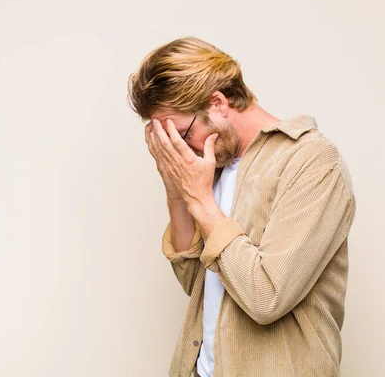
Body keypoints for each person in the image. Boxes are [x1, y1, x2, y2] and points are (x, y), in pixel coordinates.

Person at [128, 37, 356, 377]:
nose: (182, 152)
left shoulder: (311, 161)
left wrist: (200, 200)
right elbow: (198, 286)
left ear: (218, 103)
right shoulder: (211, 170)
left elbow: (266, 298)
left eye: (182, 135)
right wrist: (175, 188)